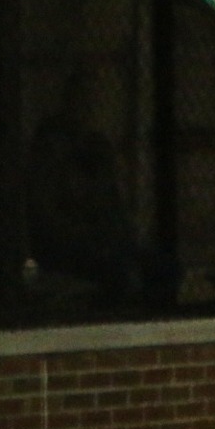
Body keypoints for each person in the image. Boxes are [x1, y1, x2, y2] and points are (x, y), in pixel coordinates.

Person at [26, 68, 179, 312]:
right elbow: (49, 206)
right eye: (83, 99)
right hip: (68, 242)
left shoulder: (98, 145)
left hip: (105, 238)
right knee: (118, 274)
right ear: (70, 100)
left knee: (163, 268)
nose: (89, 107)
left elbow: (113, 199)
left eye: (93, 101)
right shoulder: (52, 142)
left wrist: (127, 235)